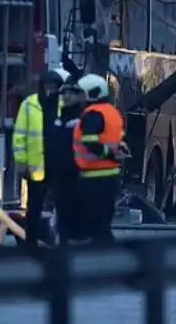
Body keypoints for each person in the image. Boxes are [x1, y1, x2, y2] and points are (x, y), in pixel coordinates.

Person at [12, 68, 67, 252]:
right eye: (48, 85)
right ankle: (31, 244)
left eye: (55, 85)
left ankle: (61, 241)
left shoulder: (63, 105)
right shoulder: (29, 105)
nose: (51, 89)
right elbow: (19, 136)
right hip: (36, 168)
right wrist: (21, 162)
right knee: (33, 207)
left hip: (57, 166)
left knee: (62, 206)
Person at [72, 73, 129, 245]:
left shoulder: (92, 115)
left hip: (94, 177)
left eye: (82, 93)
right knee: (103, 222)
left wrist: (106, 152)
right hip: (111, 176)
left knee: (95, 225)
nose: (80, 98)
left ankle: (103, 259)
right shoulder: (112, 112)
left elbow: (90, 143)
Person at [51, 75, 86, 245]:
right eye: (63, 92)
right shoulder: (59, 120)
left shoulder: (81, 121)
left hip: (76, 180)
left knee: (74, 224)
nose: (66, 96)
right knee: (62, 223)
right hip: (59, 180)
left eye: (71, 92)